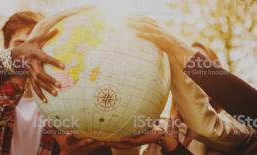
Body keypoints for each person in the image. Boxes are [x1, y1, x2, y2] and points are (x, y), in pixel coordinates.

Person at [0, 5, 100, 154]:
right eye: (21, 45)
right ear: (7, 48)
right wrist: (18, 63)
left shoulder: (62, 109)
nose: (32, 51)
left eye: (39, 44)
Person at [107, 15, 257, 154]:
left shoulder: (238, 126)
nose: (191, 77)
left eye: (200, 69)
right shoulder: (160, 127)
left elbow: (207, 127)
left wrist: (173, 51)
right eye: (185, 68)